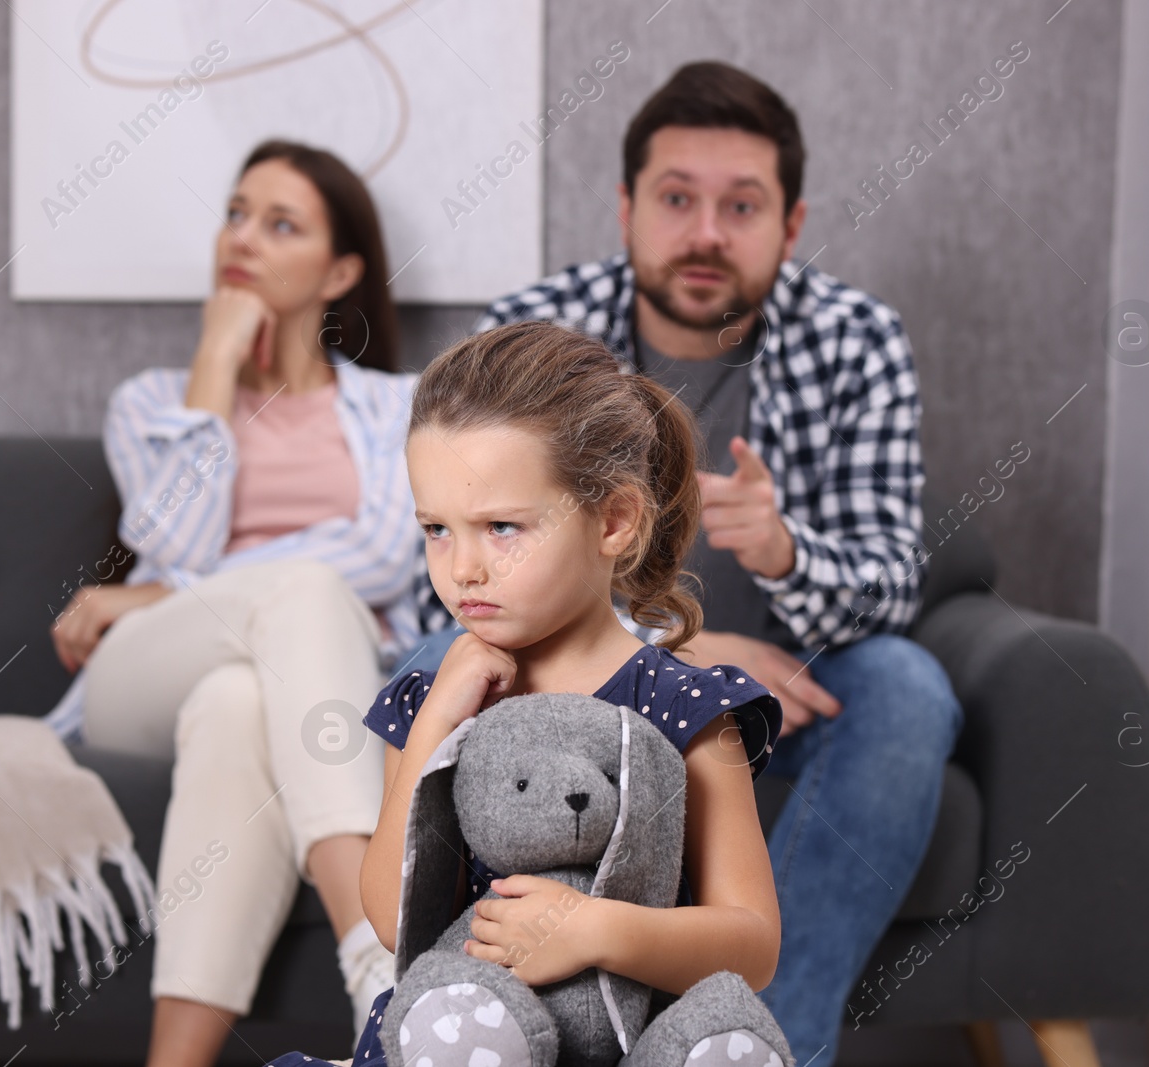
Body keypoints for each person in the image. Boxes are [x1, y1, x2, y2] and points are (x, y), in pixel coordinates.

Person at [408, 63, 963, 1064]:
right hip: (594, 687)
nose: (705, 232)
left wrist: (786, 554)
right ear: (626, 209)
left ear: (790, 227)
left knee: (909, 685)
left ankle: (760, 1045)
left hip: (793, 684)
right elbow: (453, 581)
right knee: (418, 658)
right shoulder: (536, 329)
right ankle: (469, 1010)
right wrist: (683, 645)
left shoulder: (855, 340)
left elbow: (894, 583)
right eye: (676, 199)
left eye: (740, 206)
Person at [268, 319, 788, 1067]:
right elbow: (392, 919)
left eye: (502, 526)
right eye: (437, 529)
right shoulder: (430, 702)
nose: (464, 568)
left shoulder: (688, 708)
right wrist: (436, 725)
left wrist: (595, 928)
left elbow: (752, 942)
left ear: (614, 519)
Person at [42, 140, 415, 1067]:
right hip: (142, 680)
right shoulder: (152, 402)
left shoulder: (399, 407)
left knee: (241, 698)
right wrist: (215, 357)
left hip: (305, 684)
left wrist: (160, 592)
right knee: (296, 594)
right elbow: (175, 540)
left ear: (340, 271)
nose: (242, 238)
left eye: (279, 224)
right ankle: (384, 968)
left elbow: (382, 550)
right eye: (236, 212)